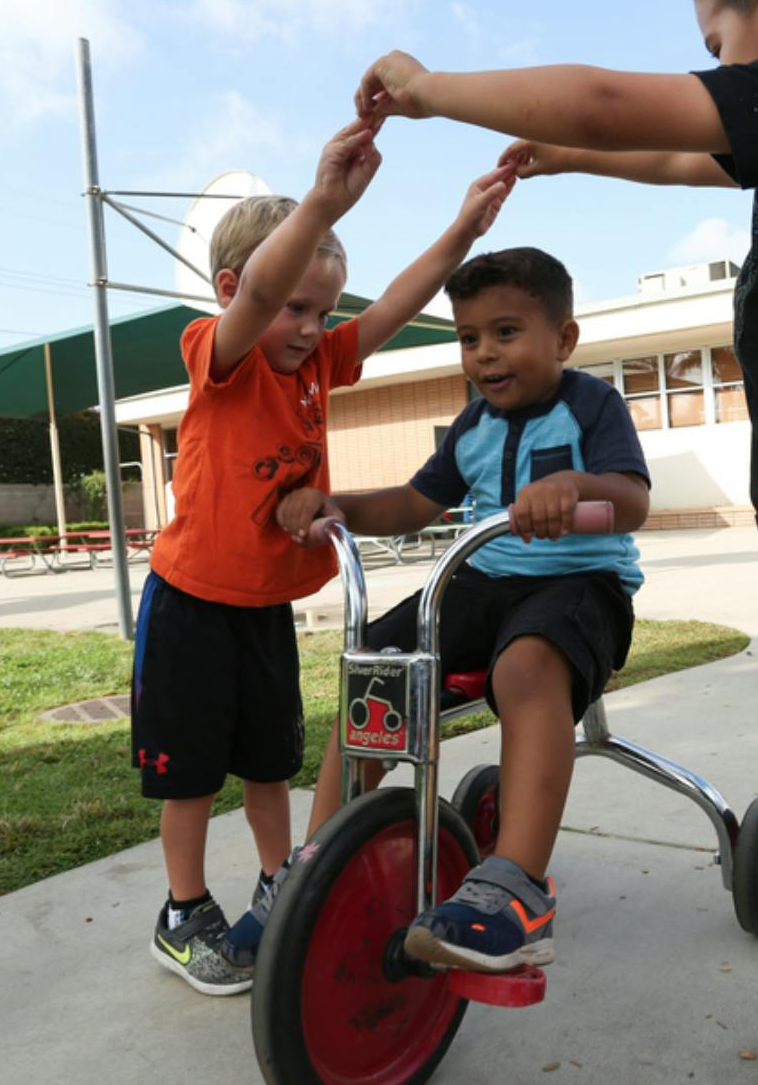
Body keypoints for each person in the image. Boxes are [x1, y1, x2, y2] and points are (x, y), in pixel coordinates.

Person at [349, 0, 758, 1081]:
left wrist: (431, 87)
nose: (718, 70)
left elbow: (602, 98)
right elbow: (677, 153)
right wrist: (570, 159)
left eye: (712, 44)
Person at [132, 119, 516, 997]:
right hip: (191, 602)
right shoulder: (219, 353)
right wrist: (320, 202)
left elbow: (389, 308)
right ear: (236, 292)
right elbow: (263, 292)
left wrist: (462, 231)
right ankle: (183, 912)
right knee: (189, 775)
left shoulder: (315, 366)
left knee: (270, 763)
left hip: (262, 607)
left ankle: (283, 884)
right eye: (293, 309)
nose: (310, 329)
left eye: (321, 312)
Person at [268, 247, 651, 973]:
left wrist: (574, 486)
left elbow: (632, 501)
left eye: (506, 332)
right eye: (468, 337)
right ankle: (314, 870)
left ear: (563, 340)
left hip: (579, 585)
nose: (484, 354)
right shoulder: (472, 424)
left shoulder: (591, 405)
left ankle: (518, 891)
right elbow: (415, 503)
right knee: (374, 671)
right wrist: (337, 503)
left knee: (528, 666)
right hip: (480, 582)